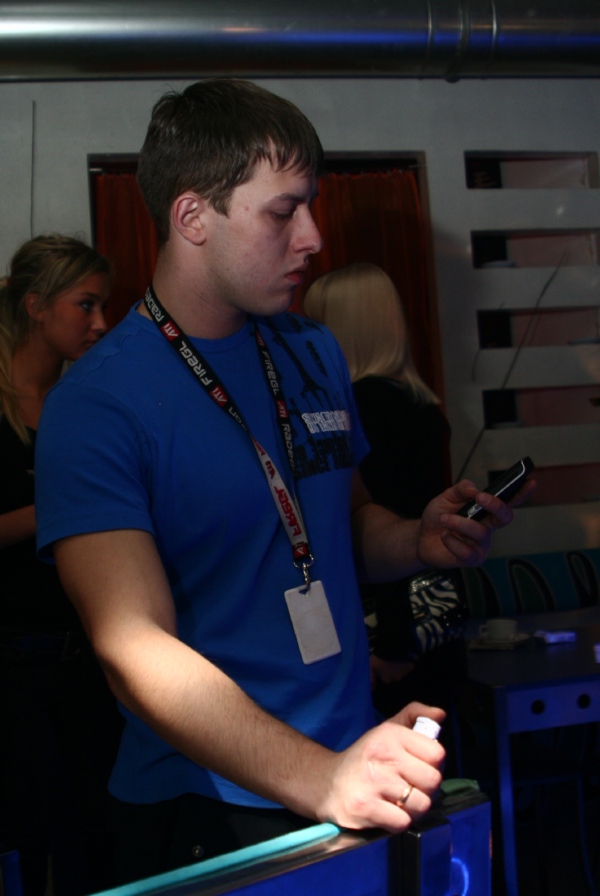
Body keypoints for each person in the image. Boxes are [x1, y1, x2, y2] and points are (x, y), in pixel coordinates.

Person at [34, 79, 528, 885]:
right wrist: (321, 778)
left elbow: (345, 523)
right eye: (282, 212)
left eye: (313, 206)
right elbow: (133, 646)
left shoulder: (311, 351)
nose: (314, 237)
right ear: (192, 217)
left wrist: (418, 539)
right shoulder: (99, 402)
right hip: (211, 801)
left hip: (349, 762)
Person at [0, 234, 123, 896]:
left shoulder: (83, 402)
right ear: (36, 305)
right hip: (12, 665)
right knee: (28, 838)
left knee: (94, 835)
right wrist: (57, 510)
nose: (100, 322)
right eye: (86, 304)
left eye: (103, 305)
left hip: (84, 659)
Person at [303, 263, 468, 757]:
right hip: (432, 617)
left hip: (393, 627)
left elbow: (378, 529)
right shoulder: (421, 403)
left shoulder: (364, 406)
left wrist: (394, 643)